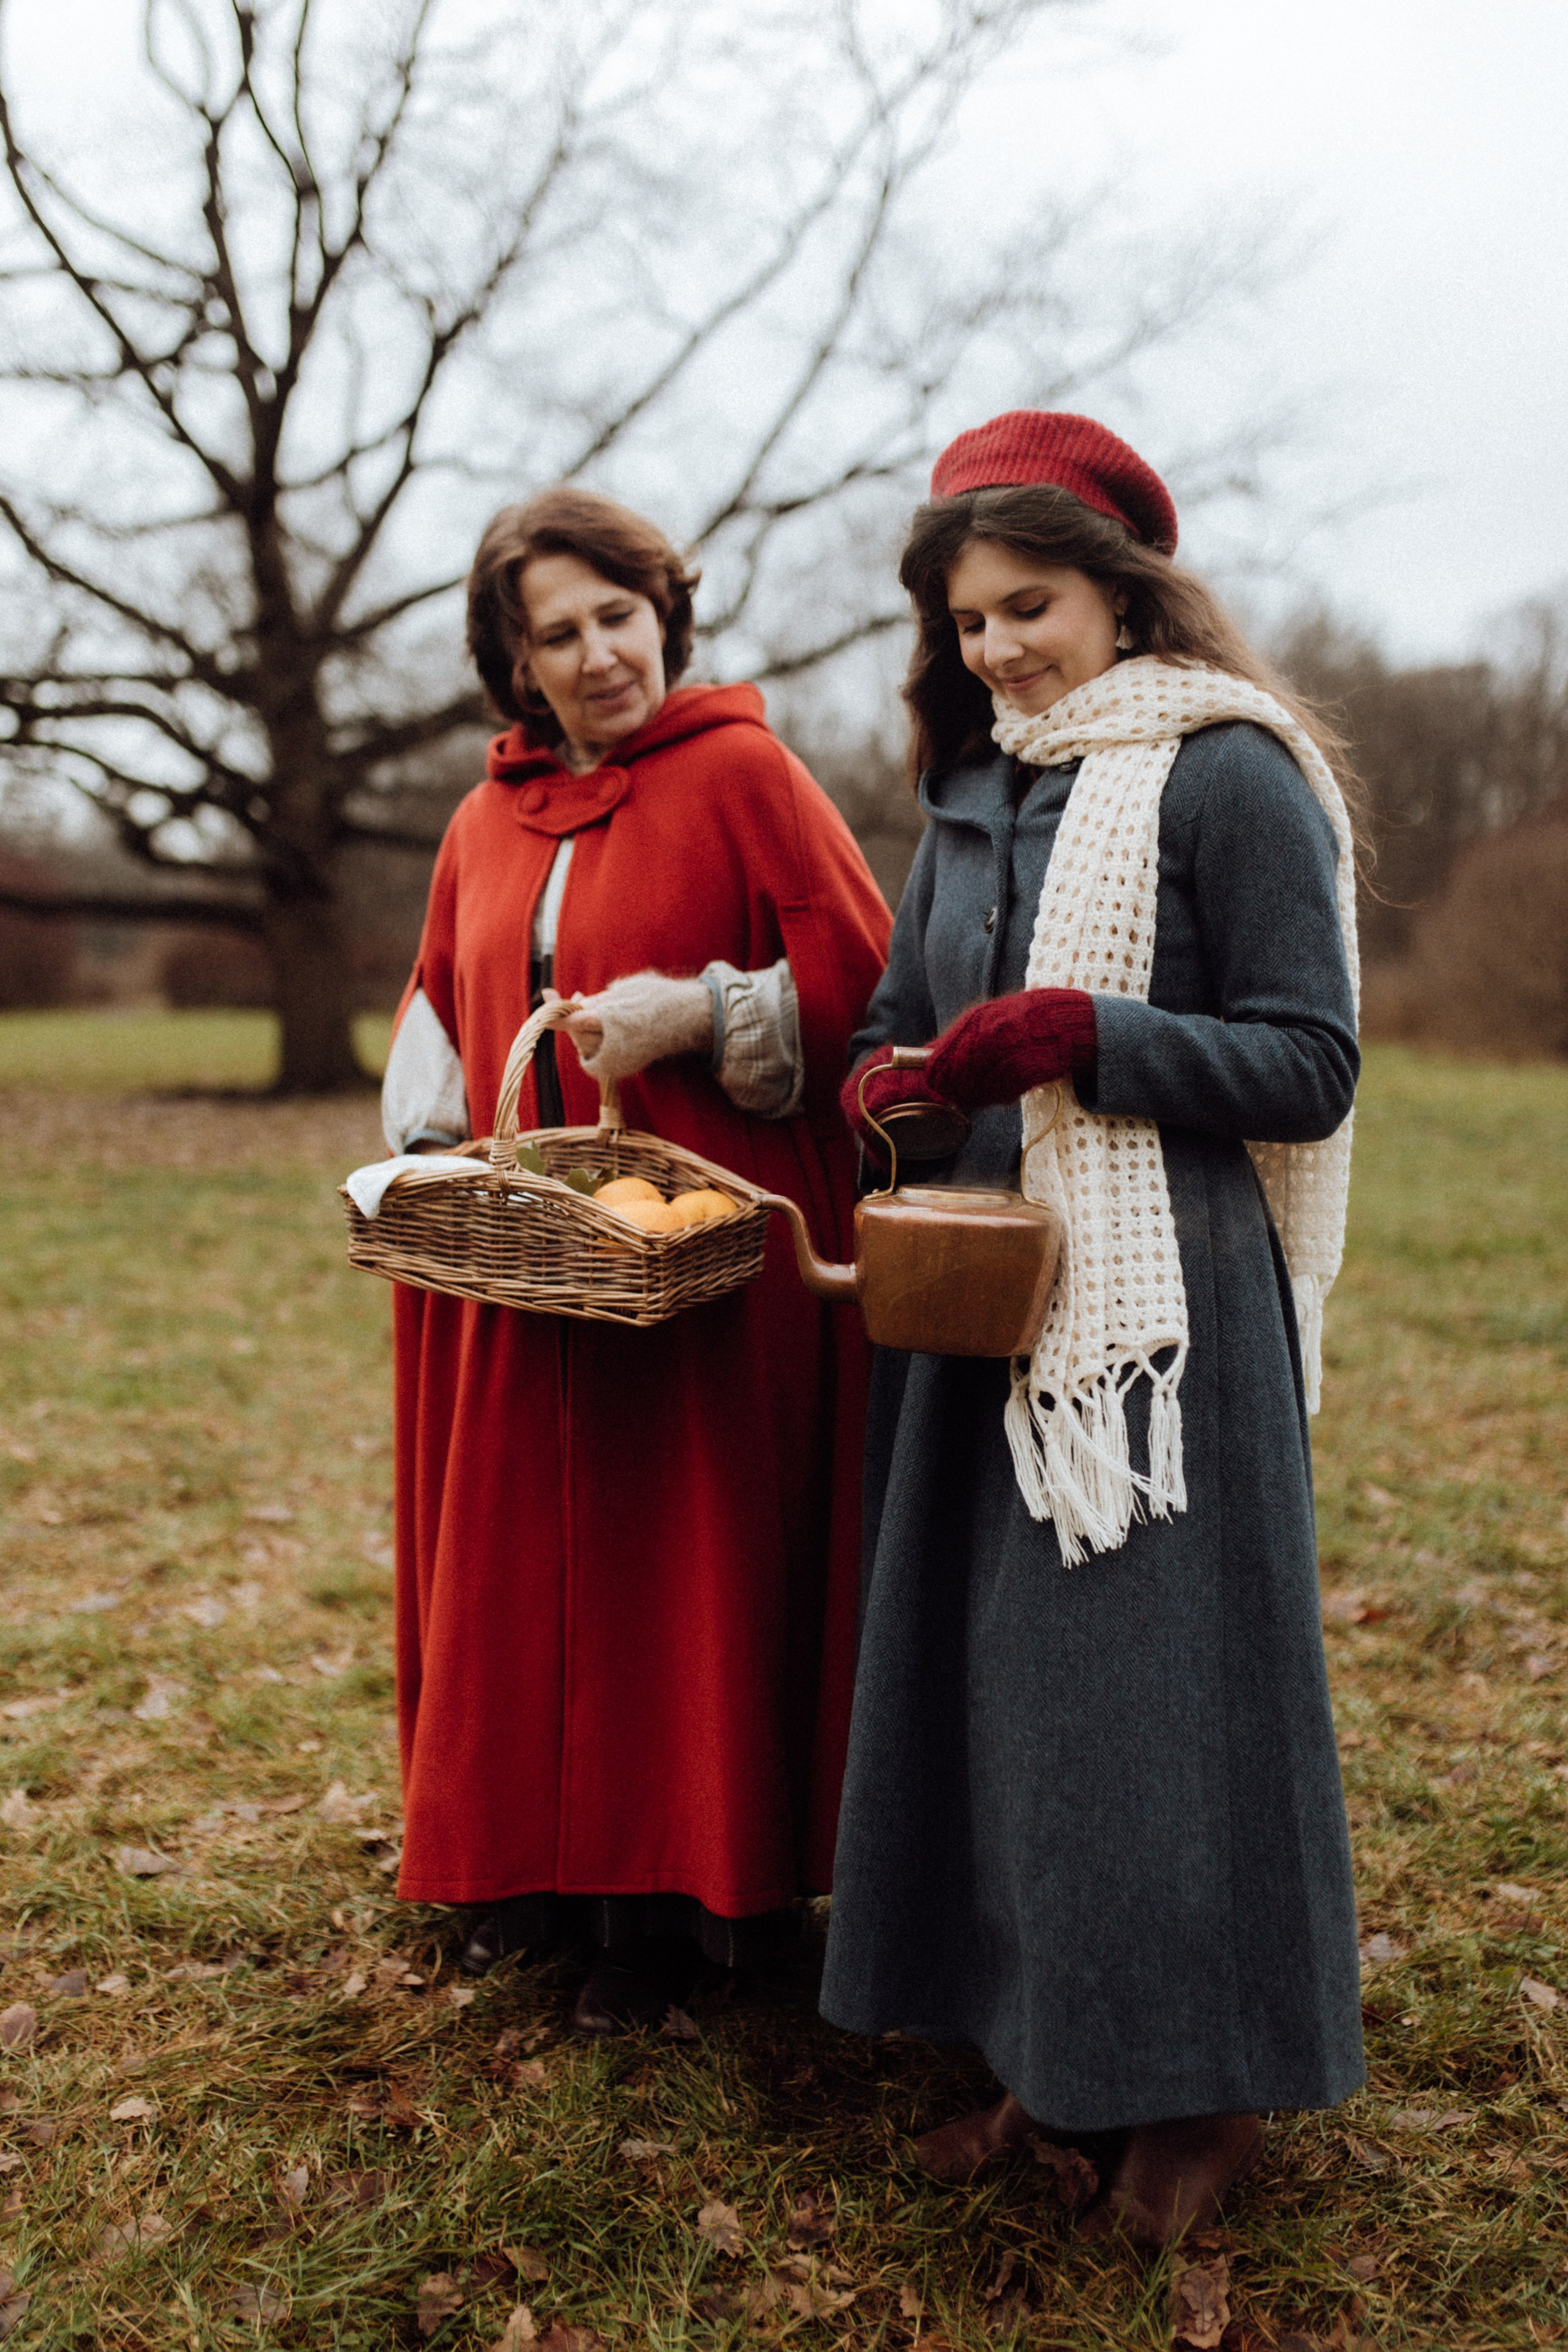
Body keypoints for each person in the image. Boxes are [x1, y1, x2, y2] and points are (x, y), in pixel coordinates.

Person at [818, 410, 1365, 2245]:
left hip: (1155, 1323)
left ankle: (1203, 2091)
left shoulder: (1228, 776)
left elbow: (1311, 1062)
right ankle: (1048, 2051)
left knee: (1146, 1710)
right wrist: (888, 1077)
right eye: (968, 622)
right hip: (980, 1289)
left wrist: (1087, 1042)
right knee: (1004, 1697)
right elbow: (900, 1013)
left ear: (1126, 593)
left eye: (1028, 605)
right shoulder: (971, 795)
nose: (996, 650)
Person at [383, 486, 890, 2032]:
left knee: (675, 1571)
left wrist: (702, 1015)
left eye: (620, 616)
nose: (600, 655)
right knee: (530, 1565)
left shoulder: (746, 774)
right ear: (513, 662)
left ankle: (682, 1908)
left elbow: (862, 988)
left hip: (699, 1256)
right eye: (559, 633)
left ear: (664, 613)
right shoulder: (481, 820)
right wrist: (424, 1137)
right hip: (528, 1258)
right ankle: (533, 1873)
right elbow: (439, 1002)